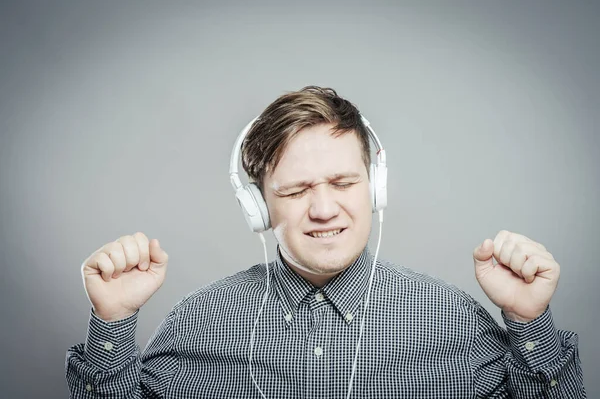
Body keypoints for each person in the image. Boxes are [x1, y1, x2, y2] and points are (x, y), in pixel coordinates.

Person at [65, 86, 586, 398]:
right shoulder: (199, 320)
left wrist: (528, 322)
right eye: (294, 190)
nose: (322, 209)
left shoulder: (456, 322)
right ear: (259, 206)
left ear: (375, 187)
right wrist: (111, 324)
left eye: (342, 183)